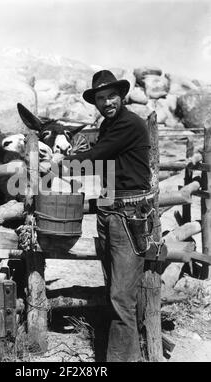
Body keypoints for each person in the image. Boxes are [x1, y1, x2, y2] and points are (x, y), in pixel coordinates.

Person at [51, 70, 154, 362]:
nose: (107, 102)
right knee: (115, 291)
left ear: (121, 96)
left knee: (121, 296)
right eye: (100, 98)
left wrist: (61, 163)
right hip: (111, 210)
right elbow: (102, 162)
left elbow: (97, 157)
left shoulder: (129, 125)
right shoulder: (111, 125)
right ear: (95, 102)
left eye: (111, 96)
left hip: (127, 213)